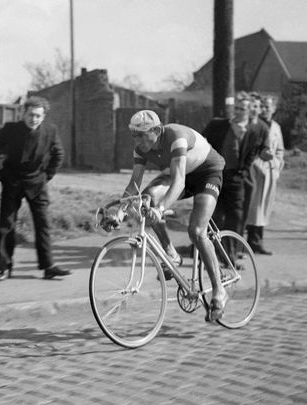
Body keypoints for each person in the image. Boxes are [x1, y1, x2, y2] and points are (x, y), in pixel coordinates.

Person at [115, 110, 228, 321]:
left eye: (141, 134)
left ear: (157, 131)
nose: (137, 140)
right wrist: (118, 214)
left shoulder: (176, 137)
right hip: (181, 173)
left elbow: (179, 183)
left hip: (207, 172)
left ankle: (219, 291)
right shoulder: (140, 149)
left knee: (196, 231)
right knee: (147, 198)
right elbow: (134, 186)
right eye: (133, 135)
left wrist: (160, 209)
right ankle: (171, 254)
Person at [0, 96, 71, 281]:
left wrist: (47, 176)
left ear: (43, 117)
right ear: (23, 113)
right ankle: (4, 268)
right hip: (12, 182)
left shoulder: (50, 131)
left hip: (37, 183)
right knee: (7, 225)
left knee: (43, 224)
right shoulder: (11, 130)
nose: (34, 119)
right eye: (31, 115)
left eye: (38, 116)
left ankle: (48, 267)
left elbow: (58, 154)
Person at [203, 92, 269, 248]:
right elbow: (202, 140)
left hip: (236, 178)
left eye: (242, 109)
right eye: (237, 108)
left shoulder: (254, 131)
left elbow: (254, 154)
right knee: (214, 215)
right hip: (216, 175)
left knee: (236, 217)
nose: (238, 111)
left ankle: (231, 254)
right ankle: (209, 251)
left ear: (250, 111)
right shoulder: (218, 125)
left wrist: (242, 173)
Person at [245, 94, 285, 254]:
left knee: (263, 208)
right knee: (250, 207)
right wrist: (256, 164)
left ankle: (256, 242)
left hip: (269, 174)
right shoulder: (255, 123)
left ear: (274, 109)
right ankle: (242, 243)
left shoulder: (276, 127)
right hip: (254, 171)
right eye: (263, 106)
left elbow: (280, 150)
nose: (265, 109)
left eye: (268, 106)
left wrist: (275, 167)